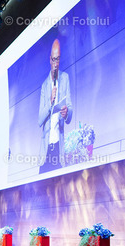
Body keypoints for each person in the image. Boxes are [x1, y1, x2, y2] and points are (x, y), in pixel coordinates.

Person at [38, 38, 73, 174]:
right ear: (50, 59)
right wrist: (50, 102)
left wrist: (66, 113)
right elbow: (39, 120)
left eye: (57, 59)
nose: (55, 63)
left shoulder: (65, 78)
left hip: (59, 149)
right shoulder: (44, 86)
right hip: (46, 151)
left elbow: (70, 112)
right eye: (53, 59)